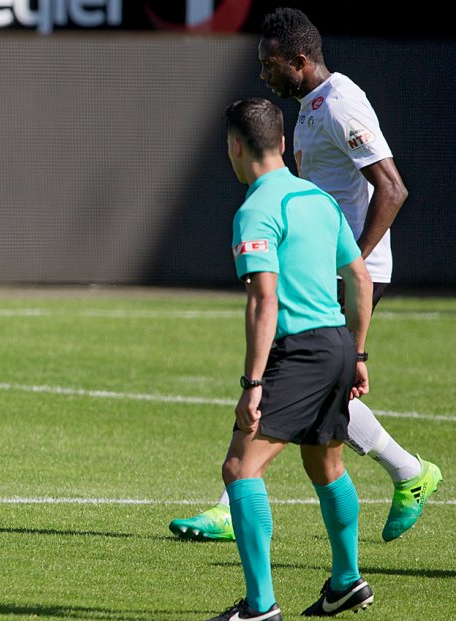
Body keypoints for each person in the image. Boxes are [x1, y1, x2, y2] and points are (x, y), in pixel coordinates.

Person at [171, 6, 441, 544]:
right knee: (324, 387)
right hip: (328, 266)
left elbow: (392, 187)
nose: (263, 74)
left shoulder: (341, 103)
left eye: (269, 64)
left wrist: (354, 260)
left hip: (350, 270)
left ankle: (233, 499)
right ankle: (408, 473)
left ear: (299, 60)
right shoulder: (311, 106)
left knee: (294, 372)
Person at [207, 97, 374, 621]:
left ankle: (259, 609)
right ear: (281, 143)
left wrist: (251, 383)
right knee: (324, 463)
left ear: (235, 146)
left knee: (240, 468)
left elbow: (264, 300)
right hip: (338, 344)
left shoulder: (256, 208)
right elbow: (361, 279)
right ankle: (346, 582)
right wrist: (359, 352)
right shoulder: (320, 200)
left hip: (299, 351)